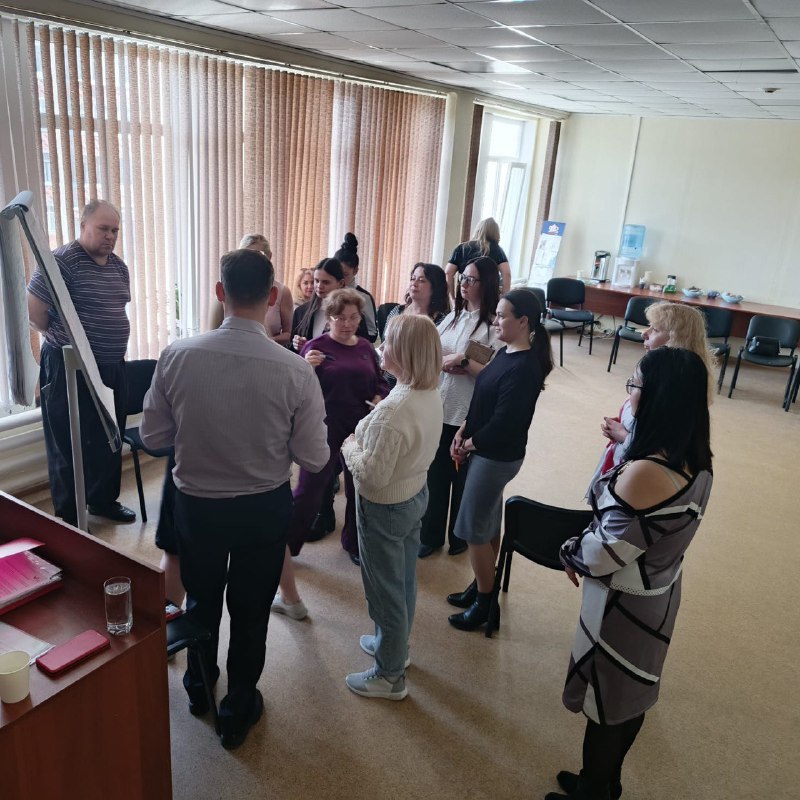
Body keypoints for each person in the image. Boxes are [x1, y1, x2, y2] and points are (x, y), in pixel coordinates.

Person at [139, 248, 328, 750]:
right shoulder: (296, 371)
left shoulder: (177, 355)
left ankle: (199, 687)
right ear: (272, 296)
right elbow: (314, 457)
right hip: (262, 508)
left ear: (220, 292)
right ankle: (239, 706)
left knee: (201, 598)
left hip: (197, 504)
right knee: (250, 608)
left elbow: (154, 436)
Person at [548, 347, 713, 800]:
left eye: (634, 384)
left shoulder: (646, 472)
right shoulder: (697, 456)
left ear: (658, 397)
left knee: (605, 706)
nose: (629, 393)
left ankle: (592, 791)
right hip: (659, 591)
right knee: (630, 694)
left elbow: (605, 552)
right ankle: (606, 785)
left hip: (622, 606)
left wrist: (569, 551)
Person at [341, 314, 443, 700]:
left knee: (385, 591)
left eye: (388, 342)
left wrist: (350, 447)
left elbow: (372, 476)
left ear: (405, 353)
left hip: (384, 508)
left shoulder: (394, 410)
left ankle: (389, 676)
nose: (381, 347)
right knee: (403, 580)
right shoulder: (428, 392)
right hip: (414, 494)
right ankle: (395, 646)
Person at [273, 288, 390, 619]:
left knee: (358, 489)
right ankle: (287, 548)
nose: (348, 323)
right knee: (309, 490)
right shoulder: (315, 347)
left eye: (354, 318)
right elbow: (297, 390)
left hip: (358, 428)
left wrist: (380, 396)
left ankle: (352, 542)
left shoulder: (366, 348)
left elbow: (380, 383)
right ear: (329, 318)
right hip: (324, 428)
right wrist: (306, 367)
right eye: (341, 318)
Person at [447, 289, 553, 631]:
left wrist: (469, 445)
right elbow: (483, 399)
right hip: (483, 447)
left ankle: (484, 602)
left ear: (523, 322)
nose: (495, 321)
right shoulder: (505, 353)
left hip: (496, 455)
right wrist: (463, 429)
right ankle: (483, 582)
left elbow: (505, 422)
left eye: (502, 316)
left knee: (472, 528)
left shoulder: (525, 368)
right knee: (488, 522)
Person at [26, 199, 136, 526]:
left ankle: (102, 501)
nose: (110, 236)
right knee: (67, 441)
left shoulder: (118, 266)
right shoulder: (61, 262)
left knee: (109, 436)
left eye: (115, 230)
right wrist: (65, 338)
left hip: (111, 366)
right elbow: (34, 312)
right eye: (103, 229)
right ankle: (70, 516)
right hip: (68, 365)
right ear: (83, 225)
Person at [418, 256, 499, 559]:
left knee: (462, 477)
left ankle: (459, 536)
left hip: (468, 411)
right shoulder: (454, 316)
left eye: (471, 279)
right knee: (435, 475)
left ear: (485, 284)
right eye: (462, 277)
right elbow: (433, 352)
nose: (463, 284)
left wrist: (463, 362)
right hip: (441, 403)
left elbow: (491, 375)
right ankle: (430, 535)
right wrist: (447, 361)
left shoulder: (491, 325)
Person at [591, 302, 716, 484]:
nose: (644, 333)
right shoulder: (656, 376)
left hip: (637, 474)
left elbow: (664, 449)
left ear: (677, 340)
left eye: (655, 329)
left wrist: (625, 436)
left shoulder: (676, 394)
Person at [209, 234, 293, 345]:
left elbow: (288, 334)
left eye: (258, 255)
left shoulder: (283, 292)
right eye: (246, 255)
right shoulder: (227, 290)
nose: (251, 262)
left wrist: (266, 342)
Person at [383, 263, 450, 388]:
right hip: (388, 381)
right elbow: (385, 345)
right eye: (413, 279)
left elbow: (434, 356)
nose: (414, 283)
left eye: (422, 280)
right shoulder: (396, 311)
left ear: (435, 287)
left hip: (419, 384)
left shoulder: (442, 321)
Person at [291, 257, 369, 351]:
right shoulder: (301, 312)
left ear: (340, 283)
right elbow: (292, 348)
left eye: (326, 282)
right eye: (316, 281)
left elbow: (361, 350)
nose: (319, 286)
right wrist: (297, 344)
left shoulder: (353, 314)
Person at [444, 217, 511, 298]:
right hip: (488, 295)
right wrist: (503, 297)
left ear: (478, 230)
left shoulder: (462, 248)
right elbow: (507, 273)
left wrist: (453, 299)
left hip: (465, 292)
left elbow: (448, 272)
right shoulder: (497, 250)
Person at [335, 233, 378, 342]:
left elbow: (372, 333)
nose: (340, 279)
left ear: (355, 271)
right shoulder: (329, 292)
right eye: (337, 274)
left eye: (345, 274)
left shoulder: (364, 297)